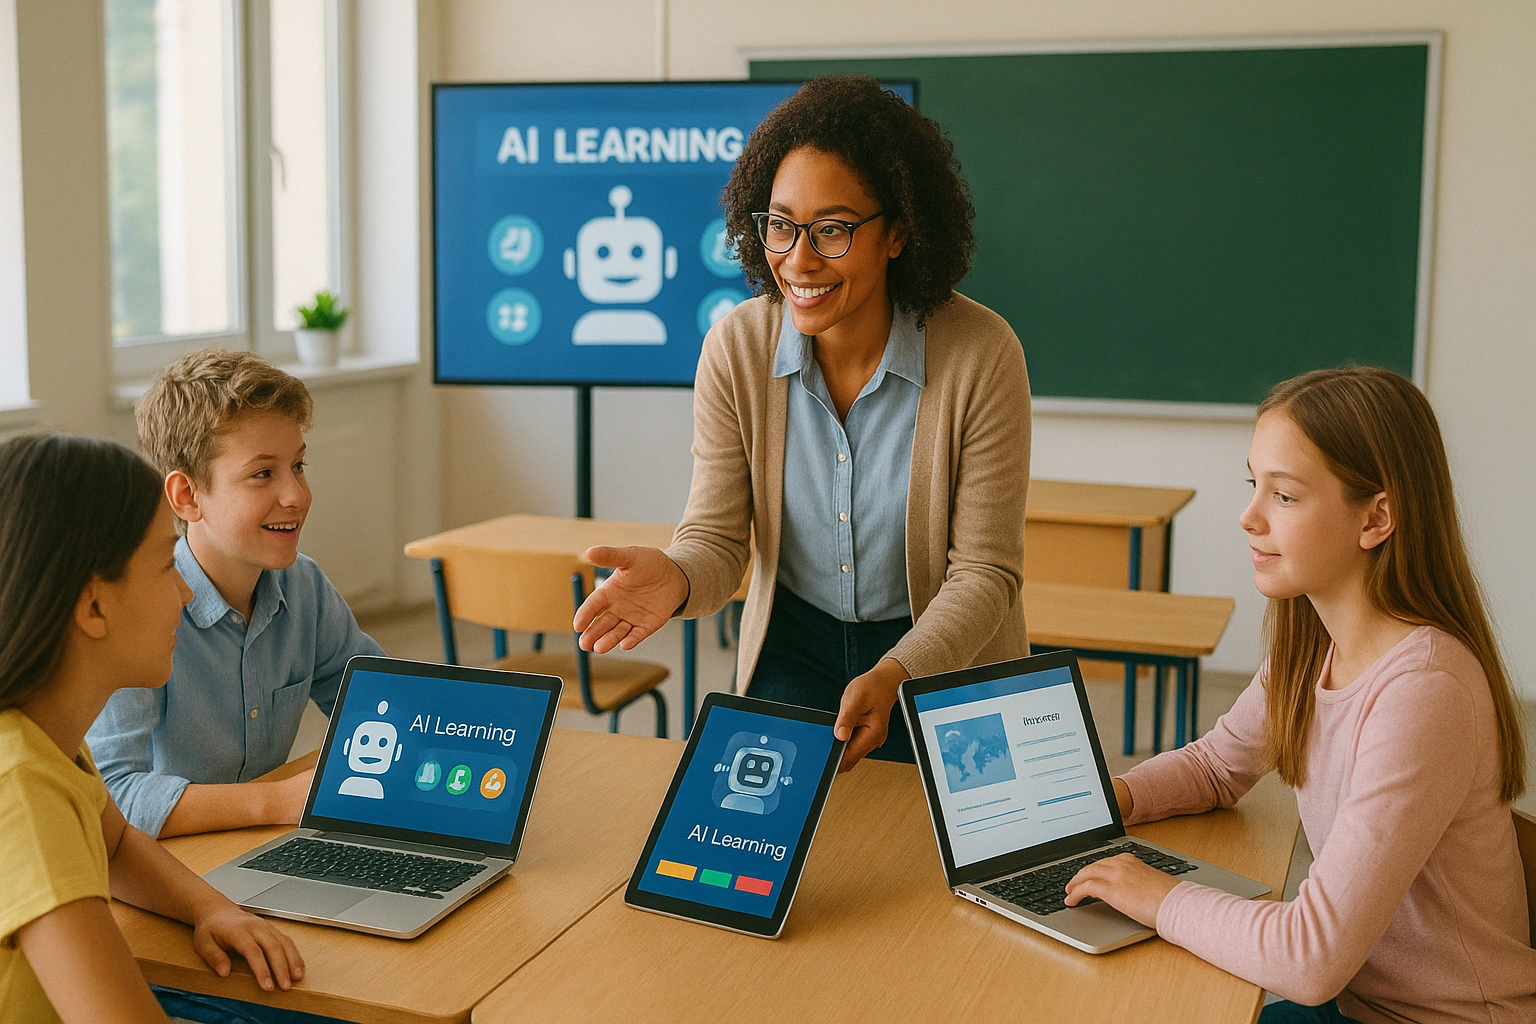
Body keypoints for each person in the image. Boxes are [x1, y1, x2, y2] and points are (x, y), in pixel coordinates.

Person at [574, 76, 1032, 769]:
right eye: (781, 225)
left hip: (941, 652)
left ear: (899, 230)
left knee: (923, 859)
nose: (798, 259)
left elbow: (985, 575)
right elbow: (718, 538)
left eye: (833, 230)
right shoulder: (737, 346)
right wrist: (676, 576)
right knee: (770, 843)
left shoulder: (981, 353)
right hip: (792, 641)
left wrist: (895, 673)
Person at [1063, 367, 1534, 1023]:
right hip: (1359, 1002)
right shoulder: (1309, 642)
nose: (1248, 516)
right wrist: (1113, 799)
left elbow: (1309, 958)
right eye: (1254, 484)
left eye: (1283, 496)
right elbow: (1217, 766)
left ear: (1377, 518)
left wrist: (1158, 896)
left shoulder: (1425, 688)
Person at [0, 433, 314, 1024]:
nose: (183, 589)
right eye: (168, 563)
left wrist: (210, 908)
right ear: (93, 608)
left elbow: (116, 846)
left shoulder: (42, 737)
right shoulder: (21, 787)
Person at [88, 349, 383, 838]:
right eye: (263, 474)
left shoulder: (303, 587)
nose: (296, 495)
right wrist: (273, 801)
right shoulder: (137, 612)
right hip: (166, 865)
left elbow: (383, 705)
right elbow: (110, 797)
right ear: (186, 496)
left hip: (263, 845)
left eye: (299, 465)